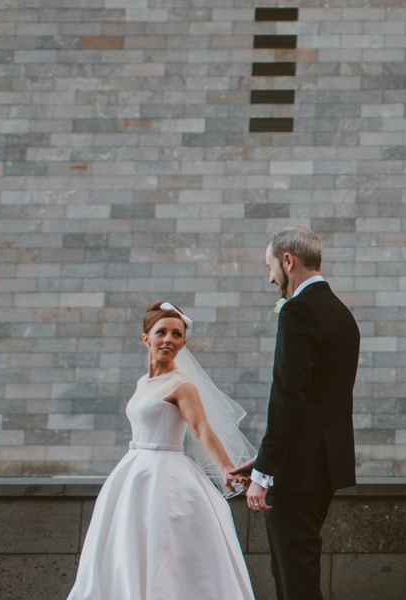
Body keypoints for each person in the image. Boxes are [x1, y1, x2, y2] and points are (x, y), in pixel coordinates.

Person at [69, 302, 255, 600]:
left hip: (166, 475)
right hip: (134, 473)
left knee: (167, 547)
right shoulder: (143, 383)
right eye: (161, 332)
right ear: (146, 338)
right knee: (128, 546)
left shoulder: (182, 386)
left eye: (177, 334)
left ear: (183, 342)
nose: (169, 339)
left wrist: (225, 468)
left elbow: (201, 429)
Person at [231, 226, 360, 600]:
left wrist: (263, 472)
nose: (270, 277)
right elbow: (317, 402)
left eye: (270, 266)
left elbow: (288, 398)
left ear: (288, 261)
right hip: (324, 464)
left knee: (292, 572)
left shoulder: (297, 312)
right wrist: (263, 458)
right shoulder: (341, 314)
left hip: (298, 469)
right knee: (299, 564)